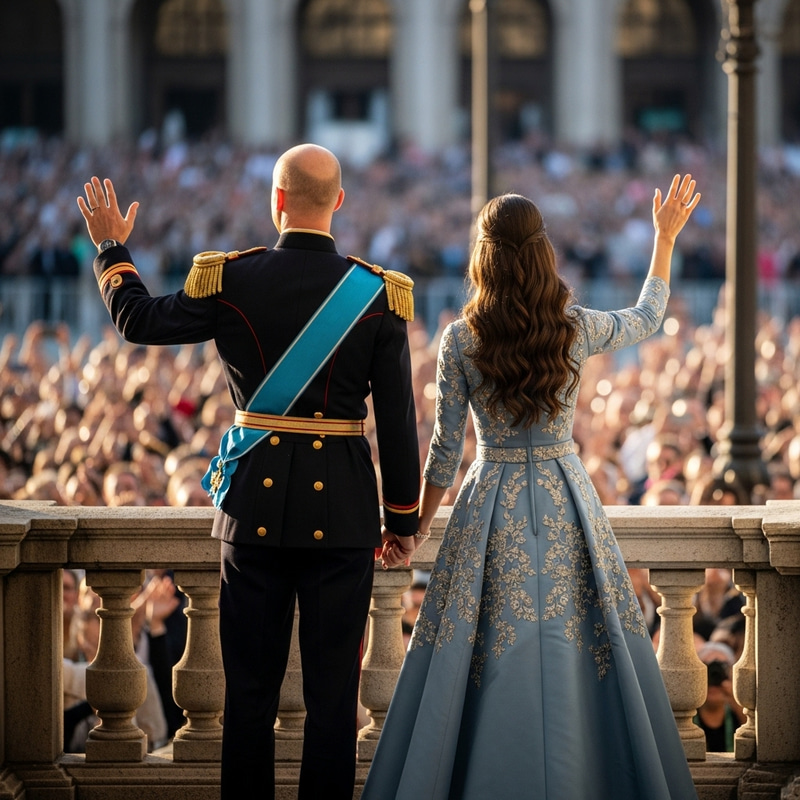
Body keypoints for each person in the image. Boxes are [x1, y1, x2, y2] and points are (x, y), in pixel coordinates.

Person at [76, 142, 420, 800]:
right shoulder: (376, 295)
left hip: (254, 511)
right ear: (339, 203)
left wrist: (113, 250)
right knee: (331, 701)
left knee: (250, 698)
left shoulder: (231, 279)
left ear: (276, 201)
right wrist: (401, 520)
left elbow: (138, 320)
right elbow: (398, 428)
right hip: (342, 515)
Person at [369, 174, 701, 799]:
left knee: (481, 653)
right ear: (544, 251)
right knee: (580, 648)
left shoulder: (461, 338)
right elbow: (649, 316)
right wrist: (664, 240)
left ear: (483, 255)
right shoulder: (572, 328)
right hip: (564, 495)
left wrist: (407, 531)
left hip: (488, 496)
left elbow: (443, 454)